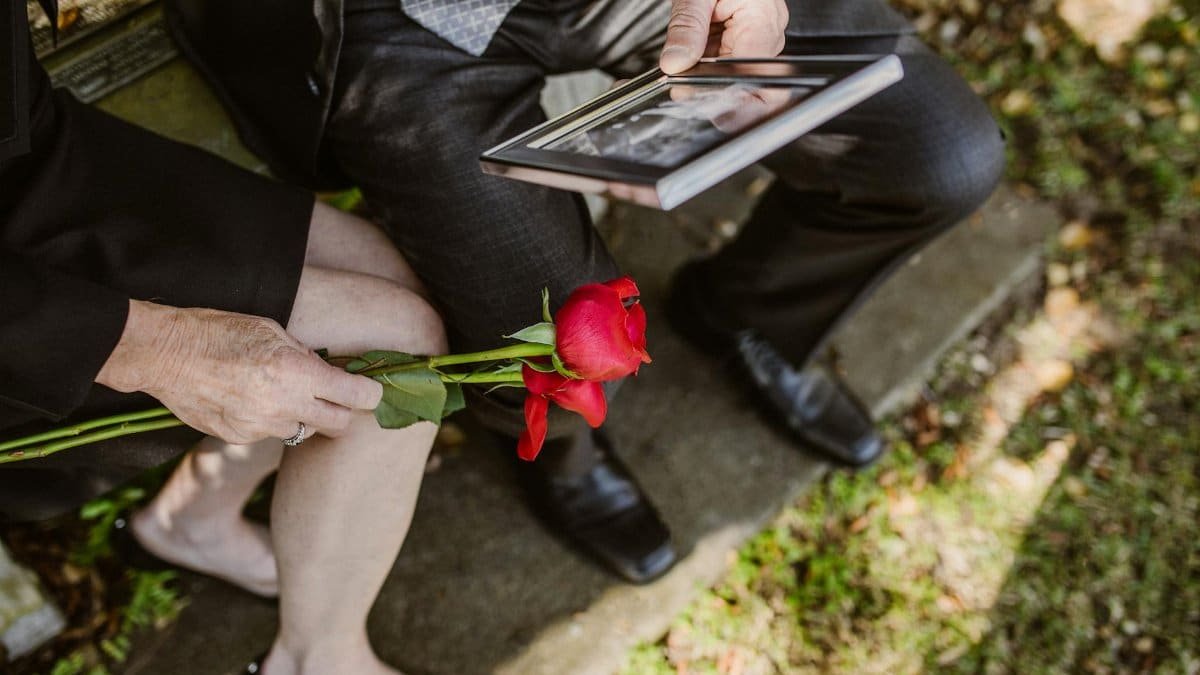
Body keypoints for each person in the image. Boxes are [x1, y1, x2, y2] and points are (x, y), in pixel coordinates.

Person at [166, 0, 1006, 584]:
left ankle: (747, 313)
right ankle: (558, 448)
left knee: (939, 155)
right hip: (406, 18)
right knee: (559, 333)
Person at [2, 2, 445, 672]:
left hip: (38, 155)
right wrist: (163, 348)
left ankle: (193, 522)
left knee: (388, 277)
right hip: (27, 301)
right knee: (395, 348)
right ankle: (316, 660)